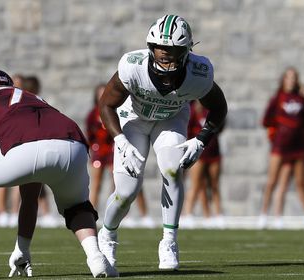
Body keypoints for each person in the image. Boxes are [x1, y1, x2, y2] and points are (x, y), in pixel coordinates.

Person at [0, 69, 117, 279]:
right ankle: (97, 258)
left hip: (21, 143)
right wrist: (22, 249)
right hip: (73, 144)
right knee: (76, 205)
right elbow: (30, 196)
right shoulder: (31, 99)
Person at [97, 14, 227, 272]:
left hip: (171, 119)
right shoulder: (132, 65)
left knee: (172, 169)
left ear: (186, 51)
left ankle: (169, 241)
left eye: (172, 49)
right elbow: (106, 104)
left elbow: (219, 107)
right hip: (133, 119)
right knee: (127, 191)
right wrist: (120, 140)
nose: (165, 53)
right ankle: (107, 235)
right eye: (160, 47)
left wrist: (201, 141)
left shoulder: (198, 73)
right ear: (150, 46)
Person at [258, 67, 304, 230]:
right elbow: (266, 120)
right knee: (272, 181)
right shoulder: (278, 98)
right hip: (280, 146)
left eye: (294, 77)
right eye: (289, 77)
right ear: (284, 80)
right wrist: (276, 132)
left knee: (299, 183)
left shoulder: (301, 99)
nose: (291, 80)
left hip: (298, 147)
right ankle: (264, 215)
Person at [86, 84, 156, 228]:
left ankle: (131, 215)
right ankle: (91, 214)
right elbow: (90, 133)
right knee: (96, 184)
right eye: (99, 94)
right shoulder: (93, 114)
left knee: (122, 183)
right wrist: (93, 148)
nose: (101, 96)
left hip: (115, 149)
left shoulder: (116, 110)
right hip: (99, 151)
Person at [272, 84, 304, 230]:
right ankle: (277, 217)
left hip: (302, 151)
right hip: (288, 150)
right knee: (282, 183)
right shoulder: (287, 110)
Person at [22, 75, 59, 228]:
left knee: (35, 183)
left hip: (29, 144)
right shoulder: (33, 103)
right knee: (30, 183)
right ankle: (13, 213)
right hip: (30, 145)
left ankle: (45, 213)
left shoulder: (25, 102)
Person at [181, 101, 225, 229]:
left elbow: (220, 125)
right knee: (197, 185)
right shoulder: (191, 109)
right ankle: (188, 213)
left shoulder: (212, 108)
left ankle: (217, 214)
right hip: (198, 154)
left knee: (214, 184)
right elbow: (187, 131)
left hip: (213, 152)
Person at [0, 74, 23, 227]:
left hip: (18, 142)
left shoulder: (23, 100)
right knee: (2, 180)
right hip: (3, 142)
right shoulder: (1, 101)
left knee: (19, 180)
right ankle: (2, 213)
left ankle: (14, 212)